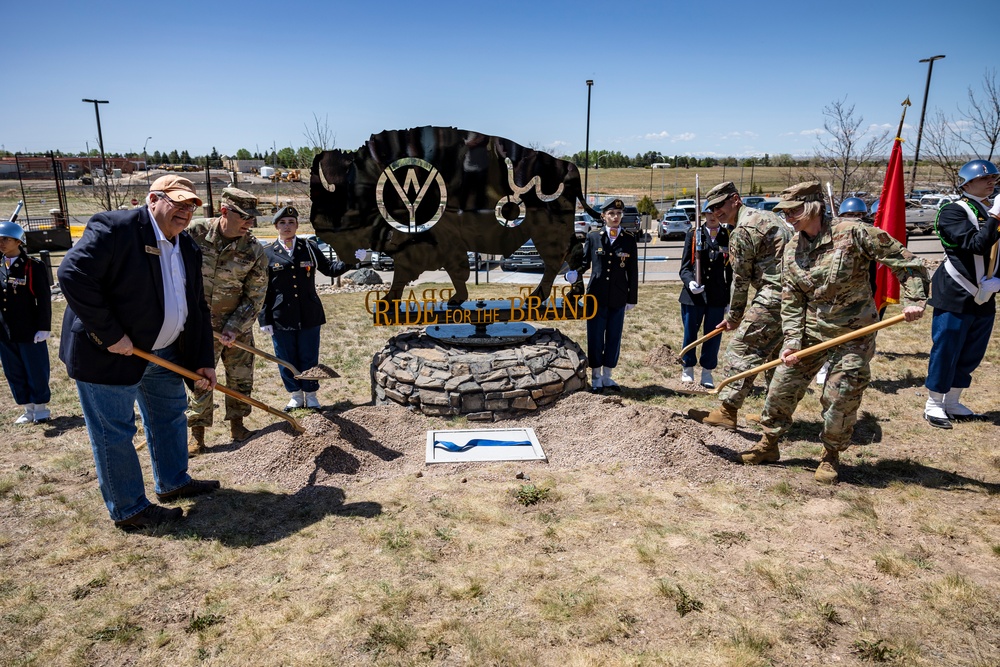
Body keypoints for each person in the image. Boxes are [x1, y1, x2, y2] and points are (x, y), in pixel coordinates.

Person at [58, 175, 219, 530]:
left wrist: (203, 360)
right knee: (114, 431)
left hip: (162, 353)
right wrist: (111, 334)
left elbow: (196, 308)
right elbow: (72, 274)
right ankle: (129, 509)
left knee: (169, 417)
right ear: (153, 199)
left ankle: (173, 481)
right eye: (177, 202)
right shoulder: (116, 228)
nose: (185, 211)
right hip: (109, 354)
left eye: (191, 205)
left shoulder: (187, 247)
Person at [741, 181, 928, 485]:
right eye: (785, 212)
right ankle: (769, 444)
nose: (788, 217)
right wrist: (790, 341)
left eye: (793, 210)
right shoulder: (792, 248)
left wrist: (915, 299)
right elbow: (792, 300)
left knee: (839, 397)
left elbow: (903, 260)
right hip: (812, 331)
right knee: (781, 386)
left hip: (854, 332)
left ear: (813, 206)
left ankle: (830, 454)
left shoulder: (853, 232)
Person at [688, 181, 790, 427]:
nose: (715, 212)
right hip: (793, 297)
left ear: (735, 199)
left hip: (773, 295)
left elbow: (740, 279)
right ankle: (774, 417)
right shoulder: (768, 217)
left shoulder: (743, 229)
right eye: (711, 208)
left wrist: (734, 317)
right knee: (776, 359)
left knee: (741, 351)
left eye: (720, 205)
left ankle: (726, 412)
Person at [186, 187, 269, 454]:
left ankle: (238, 426)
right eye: (244, 216)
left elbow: (254, 296)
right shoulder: (194, 233)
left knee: (240, 378)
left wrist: (234, 327)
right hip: (198, 328)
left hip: (237, 326)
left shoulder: (254, 249)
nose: (250, 222)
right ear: (224, 211)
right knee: (199, 379)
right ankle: (196, 435)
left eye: (252, 217)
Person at [259, 206, 362, 409]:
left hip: (309, 313)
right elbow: (263, 289)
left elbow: (331, 270)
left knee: (309, 356)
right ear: (276, 226)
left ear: (297, 225)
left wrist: (353, 258)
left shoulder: (309, 247)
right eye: (282, 223)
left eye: (291, 222)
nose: (287, 226)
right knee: (286, 358)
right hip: (281, 315)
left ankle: (311, 394)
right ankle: (295, 395)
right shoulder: (268, 254)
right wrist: (264, 319)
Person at [922, 160, 1000, 429]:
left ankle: (953, 400)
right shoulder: (952, 211)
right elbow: (976, 245)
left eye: (994, 177)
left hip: (987, 291)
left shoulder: (992, 209)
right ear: (966, 183)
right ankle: (934, 402)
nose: (992, 182)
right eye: (985, 178)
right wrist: (996, 218)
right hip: (956, 290)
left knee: (972, 351)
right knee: (947, 347)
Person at [565, 198, 638, 392]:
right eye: (611, 214)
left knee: (614, 336)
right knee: (596, 335)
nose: (615, 217)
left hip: (618, 296)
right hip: (596, 296)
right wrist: (575, 273)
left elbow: (633, 271)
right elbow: (586, 261)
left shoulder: (629, 239)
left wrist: (632, 298)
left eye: (619, 214)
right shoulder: (594, 237)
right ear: (603, 216)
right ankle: (596, 376)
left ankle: (608, 376)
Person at [0, 221, 51, 424]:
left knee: (35, 367)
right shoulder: (0, 264)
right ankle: (27, 408)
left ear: (18, 241)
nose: (1, 243)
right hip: (4, 330)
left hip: (29, 328)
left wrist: (44, 327)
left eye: (5, 239)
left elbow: (44, 298)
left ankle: (40, 408)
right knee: (13, 369)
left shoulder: (32, 266)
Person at [678, 202, 732, 388]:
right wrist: (690, 282)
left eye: (715, 212)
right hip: (694, 295)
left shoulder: (727, 236)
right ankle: (688, 368)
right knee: (690, 333)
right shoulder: (694, 235)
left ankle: (707, 372)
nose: (711, 216)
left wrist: (729, 299)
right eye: (708, 213)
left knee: (713, 334)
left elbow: (731, 272)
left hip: (717, 295)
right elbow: (684, 268)